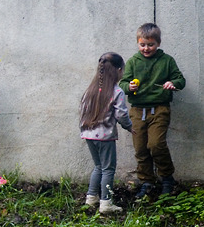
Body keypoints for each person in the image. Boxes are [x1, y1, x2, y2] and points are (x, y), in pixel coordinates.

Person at [119, 23, 186, 199]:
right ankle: (147, 181)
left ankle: (167, 179)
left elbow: (180, 80)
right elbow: (123, 84)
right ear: (138, 43)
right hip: (137, 110)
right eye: (142, 44)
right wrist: (129, 86)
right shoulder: (133, 61)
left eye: (150, 44)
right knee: (140, 148)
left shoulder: (167, 60)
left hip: (159, 109)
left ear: (158, 43)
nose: (146, 48)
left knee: (156, 144)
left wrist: (173, 84)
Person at [80, 52, 134, 214]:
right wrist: (130, 127)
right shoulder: (116, 91)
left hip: (88, 134)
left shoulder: (91, 90)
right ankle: (106, 203)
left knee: (98, 166)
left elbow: (83, 111)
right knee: (108, 169)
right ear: (118, 70)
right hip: (104, 136)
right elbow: (121, 114)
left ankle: (91, 198)